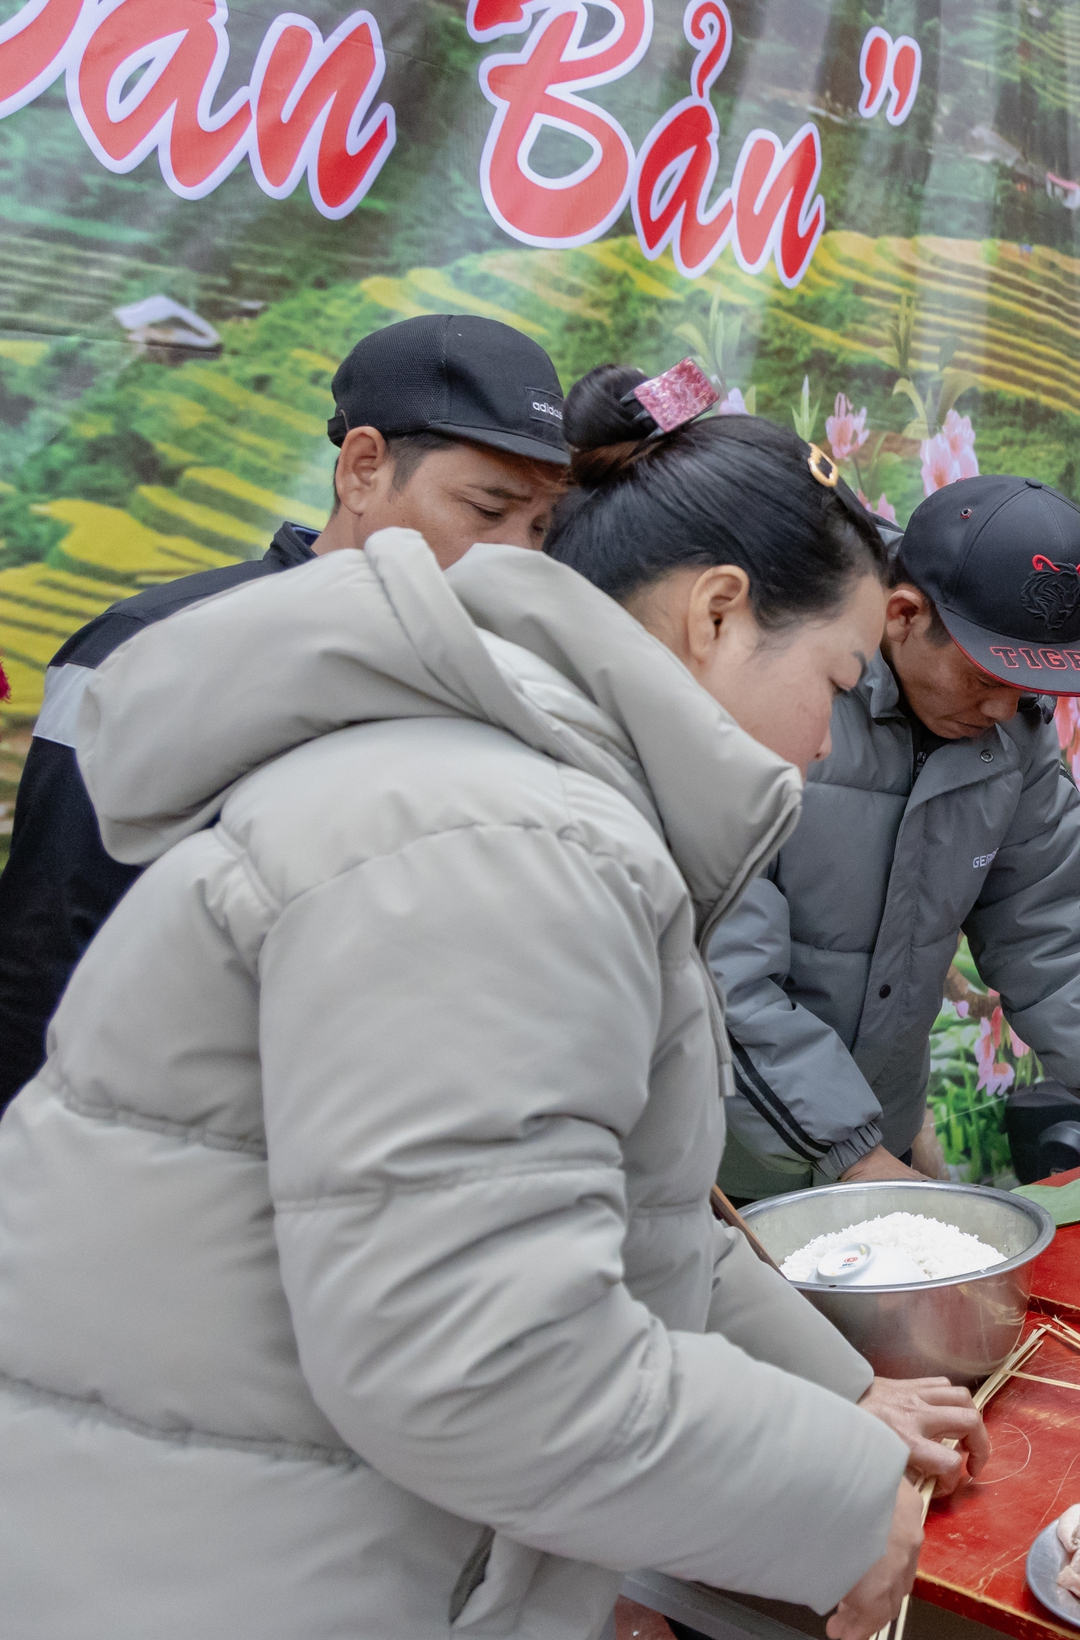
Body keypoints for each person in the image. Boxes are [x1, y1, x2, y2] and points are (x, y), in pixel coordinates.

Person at [0, 364, 987, 1640]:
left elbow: (626, 1217)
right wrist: (837, 1501)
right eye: (841, 678)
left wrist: (839, 1397)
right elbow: (489, 1362)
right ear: (720, 613)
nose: (827, 738)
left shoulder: (516, 801)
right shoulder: (507, 838)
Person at [0, 313, 573, 1107]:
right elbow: (46, 956)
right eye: (486, 510)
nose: (518, 557)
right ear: (364, 469)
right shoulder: (152, 653)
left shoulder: (496, 694)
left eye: (540, 526)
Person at [710, 462, 1080, 1197]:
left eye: (1026, 688)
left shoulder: (1013, 730)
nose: (1001, 710)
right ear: (902, 616)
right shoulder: (782, 695)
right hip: (716, 1165)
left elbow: (1046, 918)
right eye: (985, 678)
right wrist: (854, 1157)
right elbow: (721, 970)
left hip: (867, 1148)